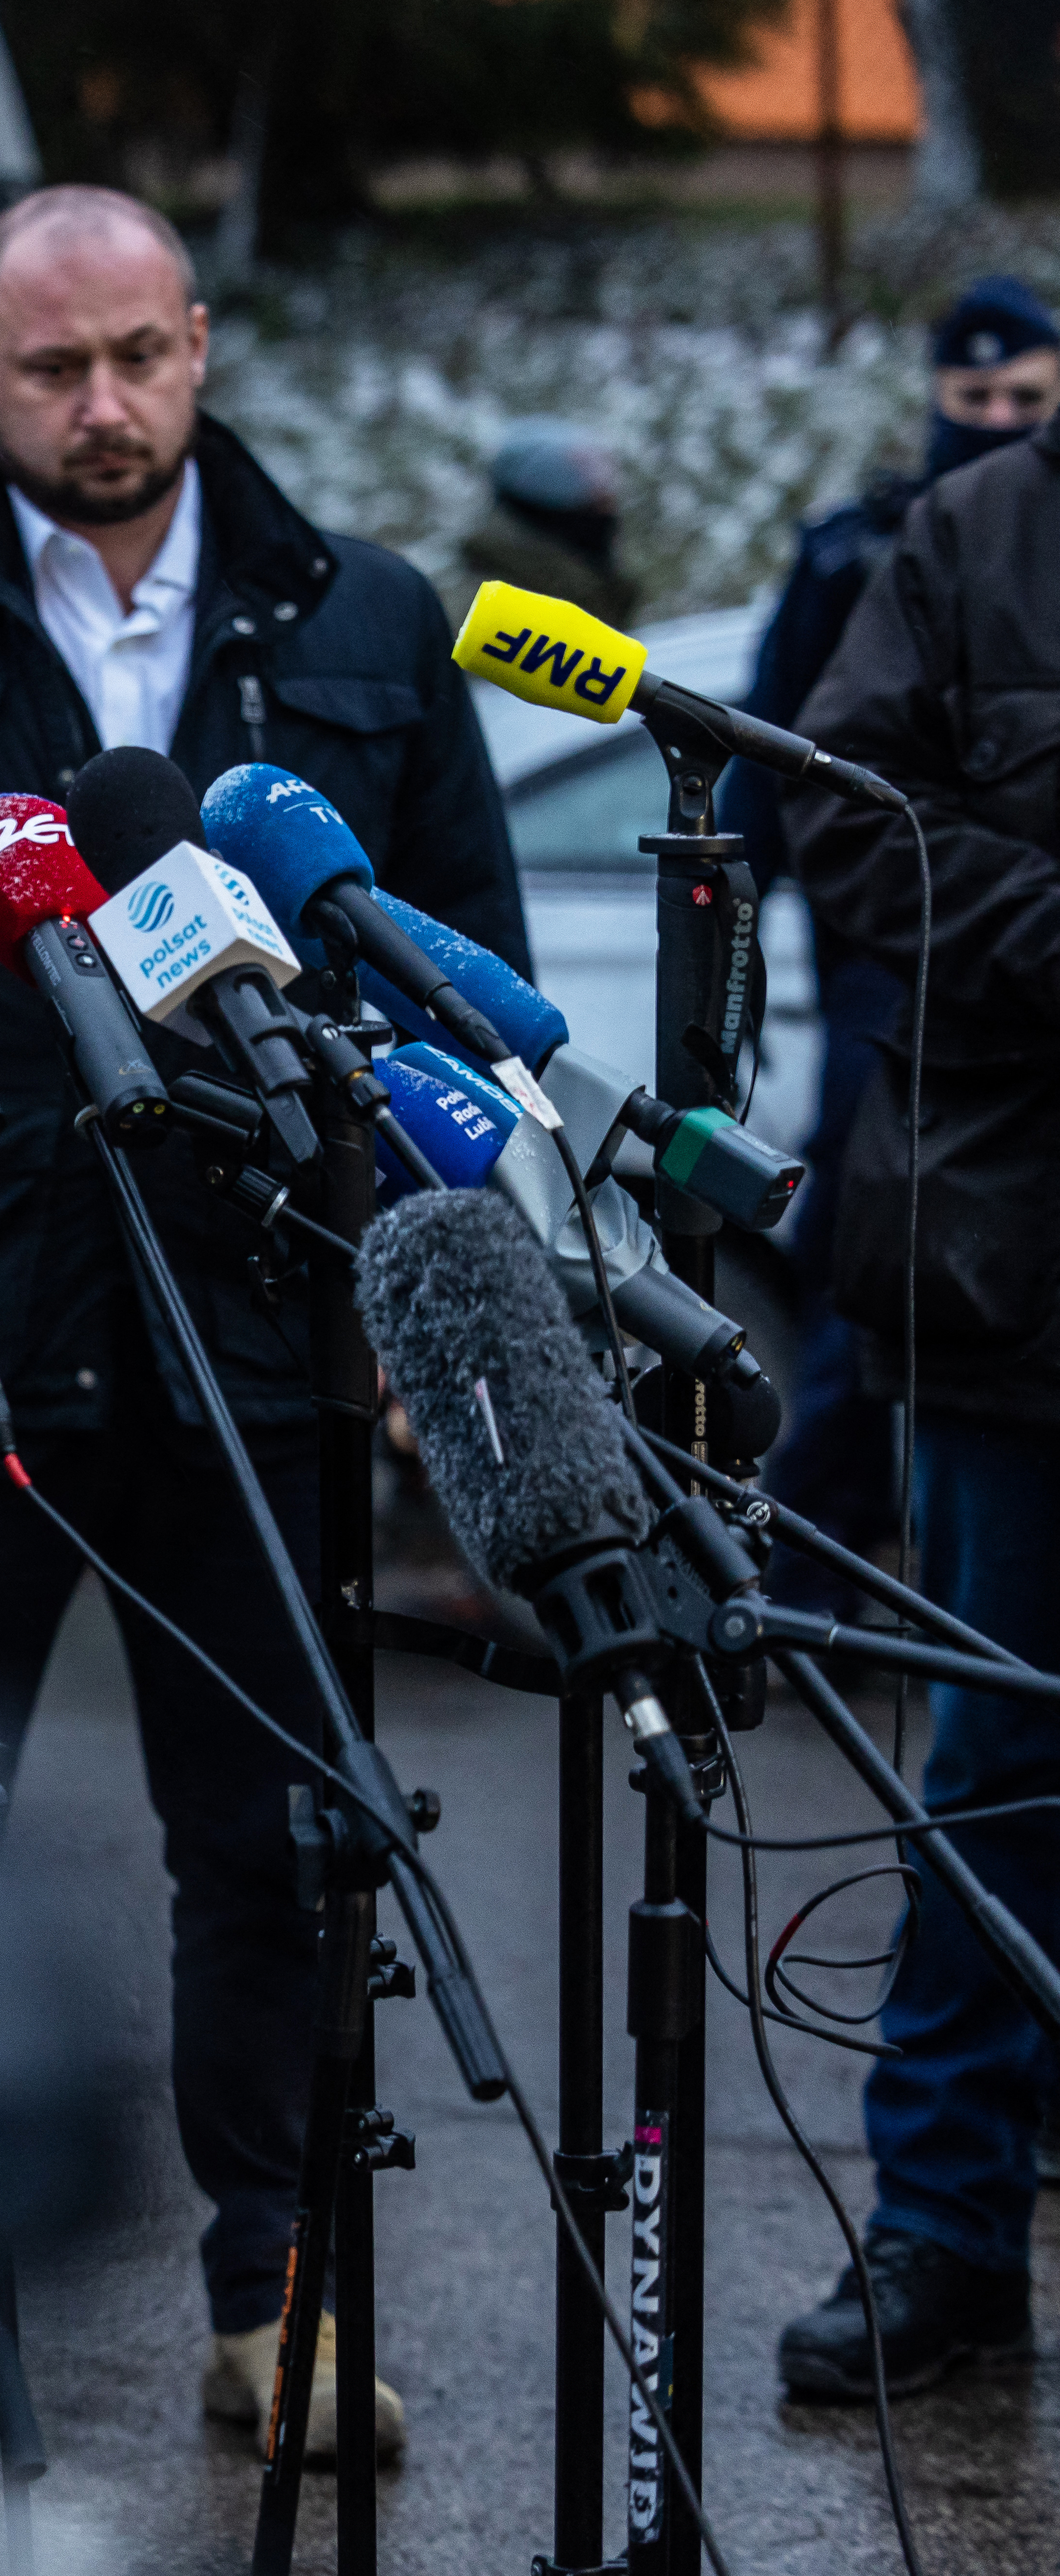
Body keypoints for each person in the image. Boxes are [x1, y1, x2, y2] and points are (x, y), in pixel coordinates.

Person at [0, 183, 526, 2458]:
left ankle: (279, 2292)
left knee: (272, 1826)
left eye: (140, 354)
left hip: (258, 1321)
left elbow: (442, 963)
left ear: (201, 343)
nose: (105, 404)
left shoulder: (363, 618)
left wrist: (421, 1308)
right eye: (52, 368)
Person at [767, 373, 1060, 2401]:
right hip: (1006, 1279)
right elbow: (840, 828)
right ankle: (942, 2237)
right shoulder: (971, 536)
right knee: (986, 1781)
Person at [732, 273, 1060, 1610]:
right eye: (969, 398)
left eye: (1019, 399)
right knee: (865, 1294)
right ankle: (804, 1585)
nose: (990, 418)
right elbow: (784, 771)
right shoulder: (886, 550)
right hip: (911, 1010)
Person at [451, 419, 634, 629]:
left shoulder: (575, 585)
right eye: (593, 496)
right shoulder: (496, 614)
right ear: (549, 504)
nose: (609, 507)